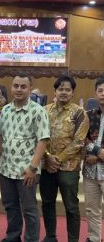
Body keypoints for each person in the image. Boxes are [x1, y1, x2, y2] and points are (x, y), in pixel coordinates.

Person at [0, 75, 50, 242]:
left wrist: (32, 168)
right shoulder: (6, 110)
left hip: (27, 170)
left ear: (30, 89)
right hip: (6, 167)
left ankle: (31, 239)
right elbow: (0, 136)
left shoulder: (39, 111)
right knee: (10, 206)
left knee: (29, 209)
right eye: (16, 86)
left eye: (23, 86)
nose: (19, 89)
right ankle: (13, 236)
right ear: (11, 87)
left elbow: (43, 140)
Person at [40, 76, 89, 242]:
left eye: (67, 89)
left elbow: (79, 142)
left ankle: (73, 239)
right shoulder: (44, 110)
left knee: (71, 207)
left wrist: (57, 159)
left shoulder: (79, 113)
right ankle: (50, 236)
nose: (64, 92)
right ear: (55, 91)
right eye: (60, 89)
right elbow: (38, 136)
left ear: (73, 92)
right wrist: (47, 157)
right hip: (47, 166)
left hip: (69, 167)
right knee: (47, 203)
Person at [83, 77, 104, 242]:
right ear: (95, 94)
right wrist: (99, 152)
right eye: (100, 90)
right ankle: (94, 238)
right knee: (91, 209)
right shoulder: (88, 115)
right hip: (90, 171)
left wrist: (97, 156)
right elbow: (82, 139)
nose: (103, 94)